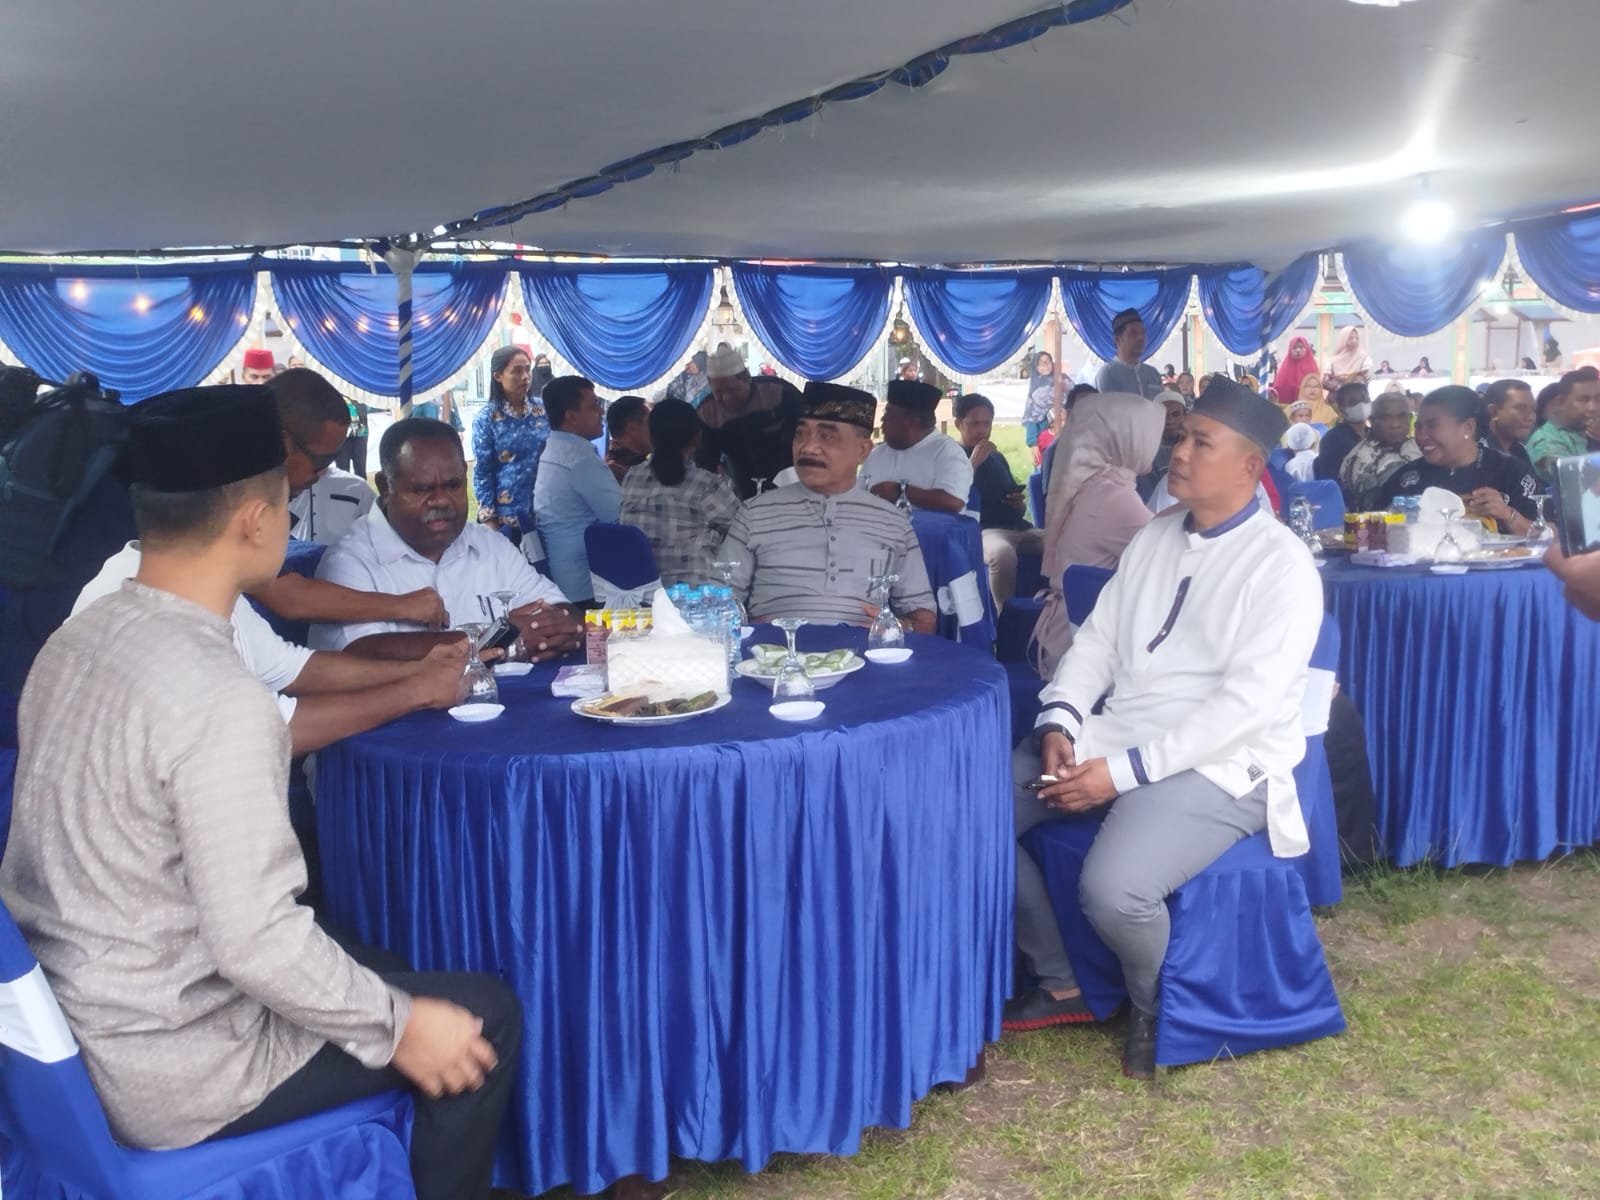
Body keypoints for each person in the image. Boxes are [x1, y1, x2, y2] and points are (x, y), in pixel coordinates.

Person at [0, 385, 520, 1199]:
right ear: (253, 519)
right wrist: (401, 1029)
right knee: (482, 1015)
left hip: (74, 1027)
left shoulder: (76, 642)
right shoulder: (218, 693)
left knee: (377, 960)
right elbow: (257, 943)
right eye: (286, 500)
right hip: (176, 1065)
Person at [1006, 380, 1320, 1083]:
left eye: (1201, 442)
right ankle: (1060, 979)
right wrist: (1062, 719)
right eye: (1181, 438)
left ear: (1249, 465)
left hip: (1223, 763)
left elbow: (1245, 707)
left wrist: (1120, 775)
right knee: (973, 817)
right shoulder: (1155, 533)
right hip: (1121, 731)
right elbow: (1097, 642)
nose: (1178, 452)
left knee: (1115, 890)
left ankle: (1154, 1005)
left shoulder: (1282, 566)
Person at [314, 418, 579, 659]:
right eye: (422, 489)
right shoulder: (349, 560)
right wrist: (499, 638)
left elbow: (564, 613)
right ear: (385, 487)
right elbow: (363, 652)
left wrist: (558, 630)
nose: (440, 500)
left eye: (453, 485)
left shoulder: (490, 545)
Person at [719, 382, 935, 631]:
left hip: (862, 652)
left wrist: (898, 627)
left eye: (826, 436)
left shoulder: (893, 522)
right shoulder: (755, 513)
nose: (808, 447)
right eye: (800, 434)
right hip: (774, 651)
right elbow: (717, 604)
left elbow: (924, 619)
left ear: (862, 450)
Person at [1029, 392, 1164, 678]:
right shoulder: (1114, 497)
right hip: (1082, 652)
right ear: (1126, 438)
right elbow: (1169, 552)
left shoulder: (1100, 484)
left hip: (1072, 634)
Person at [620, 397, 741, 588]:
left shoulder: (632, 476)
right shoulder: (704, 483)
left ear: (651, 436)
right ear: (697, 437)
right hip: (695, 591)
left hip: (642, 590)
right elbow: (743, 526)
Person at [1387, 386, 1541, 533]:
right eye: (1418, 427)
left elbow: (1548, 535)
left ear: (1468, 427)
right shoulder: (1406, 478)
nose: (1422, 435)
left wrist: (1507, 514)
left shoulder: (1511, 472)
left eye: (1433, 426)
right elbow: (1379, 526)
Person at [533, 376, 622, 603]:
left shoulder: (553, 448)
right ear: (571, 417)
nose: (601, 412)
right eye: (593, 407)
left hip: (562, 572)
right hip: (586, 585)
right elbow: (621, 516)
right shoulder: (580, 460)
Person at [954, 393, 1043, 608]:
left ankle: (1055, 608)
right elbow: (952, 496)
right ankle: (1005, 615)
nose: (981, 430)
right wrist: (974, 462)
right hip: (983, 530)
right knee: (1002, 554)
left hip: (1018, 527)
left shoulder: (997, 457)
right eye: (974, 423)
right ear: (958, 424)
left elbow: (1018, 506)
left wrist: (1018, 503)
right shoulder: (952, 456)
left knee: (1060, 541)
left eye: (987, 424)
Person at [696, 344, 804, 499]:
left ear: (747, 378)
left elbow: (806, 428)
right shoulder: (706, 412)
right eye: (718, 392)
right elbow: (705, 460)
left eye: (732, 390)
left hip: (788, 471)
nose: (726, 397)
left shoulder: (778, 391)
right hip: (742, 479)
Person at [861, 379, 973, 514]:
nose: (882, 420)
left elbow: (953, 503)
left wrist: (899, 491)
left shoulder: (947, 452)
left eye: (889, 414)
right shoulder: (877, 454)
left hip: (929, 528)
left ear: (912, 421)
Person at [472, 345, 550, 539]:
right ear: (498, 376)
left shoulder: (543, 411)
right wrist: (490, 520)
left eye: (527, 369)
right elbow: (483, 471)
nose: (525, 377)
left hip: (547, 511)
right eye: (517, 371)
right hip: (508, 518)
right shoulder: (487, 419)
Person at [1338, 391, 1422, 509]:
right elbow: (1372, 508)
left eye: (1402, 416)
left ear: (1410, 419)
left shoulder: (1420, 446)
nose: (1395, 425)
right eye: (1386, 418)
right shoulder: (1361, 459)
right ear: (1372, 421)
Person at [1527, 367, 1600, 483]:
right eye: (1583, 400)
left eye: (1598, 399)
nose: (1593, 407)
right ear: (1561, 402)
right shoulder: (1547, 440)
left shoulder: (1588, 430)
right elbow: (1577, 482)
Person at [1093, 310, 1164, 399]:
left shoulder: (1153, 373)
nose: (1140, 338)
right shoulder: (1107, 374)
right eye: (1133, 333)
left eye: (1143, 332)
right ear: (1117, 339)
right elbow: (1108, 407)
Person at [1312, 383, 1372, 483]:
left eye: (1365, 400)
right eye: (1353, 402)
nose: (1361, 405)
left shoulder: (1376, 434)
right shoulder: (1332, 440)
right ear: (1341, 409)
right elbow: (1329, 482)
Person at [1136, 391, 1187, 501]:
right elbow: (1151, 498)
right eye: (1164, 415)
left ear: (1185, 416)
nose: (1170, 421)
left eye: (1176, 414)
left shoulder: (1194, 447)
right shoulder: (1147, 454)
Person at [1482, 378, 1537, 466]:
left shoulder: (1520, 450)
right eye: (1521, 408)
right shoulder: (1479, 456)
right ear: (1494, 412)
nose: (1531, 417)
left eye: (1533, 409)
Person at [1022, 351, 1067, 452]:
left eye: (1048, 361)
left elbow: (1072, 401)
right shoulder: (1034, 392)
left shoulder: (1062, 381)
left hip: (1064, 435)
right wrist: (1033, 443)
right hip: (1043, 439)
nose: (1045, 364)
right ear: (1036, 367)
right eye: (1041, 363)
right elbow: (1031, 419)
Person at [603, 394, 652, 483]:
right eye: (650, 423)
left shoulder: (635, 464)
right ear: (632, 428)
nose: (656, 429)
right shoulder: (615, 473)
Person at [1271, 335, 1320, 406]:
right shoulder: (1284, 368)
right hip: (1287, 407)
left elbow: (1316, 388)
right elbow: (1279, 387)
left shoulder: (1312, 367)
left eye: (1301, 347)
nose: (1298, 350)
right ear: (1290, 350)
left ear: (1306, 349)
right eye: (1294, 348)